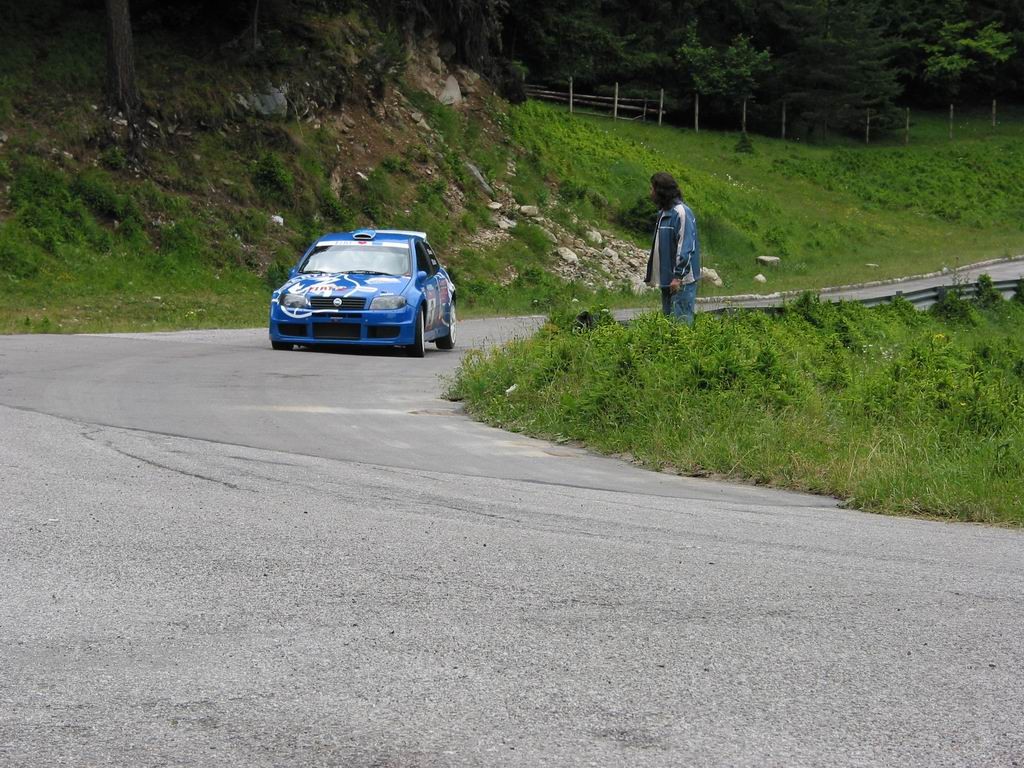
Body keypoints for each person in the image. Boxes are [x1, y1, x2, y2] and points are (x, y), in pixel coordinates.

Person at [644, 172, 701, 324]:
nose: (651, 193)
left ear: (661, 191)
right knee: (669, 324)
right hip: (666, 279)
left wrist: (678, 276)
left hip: (680, 281)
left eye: (652, 189)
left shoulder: (681, 213)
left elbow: (686, 246)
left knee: (681, 323)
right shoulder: (662, 214)